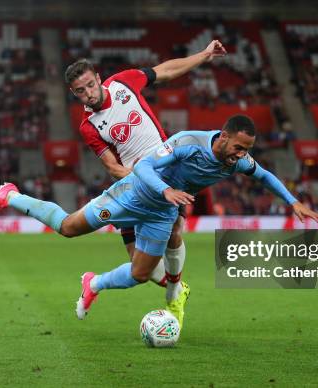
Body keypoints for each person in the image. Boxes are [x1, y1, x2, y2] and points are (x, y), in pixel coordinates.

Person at [0, 115, 318, 327]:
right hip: (132, 194)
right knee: (68, 228)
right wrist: (167, 190)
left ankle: (93, 284)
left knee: (140, 274)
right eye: (239, 147)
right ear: (225, 135)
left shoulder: (238, 162)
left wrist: (293, 202)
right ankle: (12, 195)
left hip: (161, 211)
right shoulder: (187, 142)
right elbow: (142, 166)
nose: (242, 155)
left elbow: (263, 176)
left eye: (246, 150)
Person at [66, 40, 227, 317]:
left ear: (99, 79)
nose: (89, 93)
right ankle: (99, 282)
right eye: (81, 91)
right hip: (132, 186)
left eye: (91, 85)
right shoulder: (89, 126)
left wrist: (203, 55)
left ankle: (175, 291)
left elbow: (165, 71)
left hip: (170, 172)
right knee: (140, 269)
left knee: (175, 231)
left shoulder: (123, 83)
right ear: (74, 93)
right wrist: (142, 175)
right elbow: (113, 167)